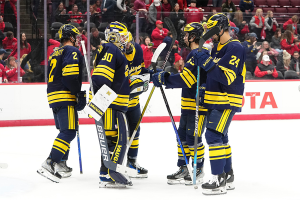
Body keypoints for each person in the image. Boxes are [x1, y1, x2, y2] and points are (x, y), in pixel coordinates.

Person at [152, 22, 207, 186]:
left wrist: (165, 78)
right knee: (182, 136)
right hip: (187, 104)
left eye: (186, 34)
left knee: (193, 137)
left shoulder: (200, 53)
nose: (184, 37)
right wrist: (166, 77)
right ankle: (183, 168)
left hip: (198, 105)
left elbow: (188, 80)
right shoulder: (192, 53)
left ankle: (198, 168)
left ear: (194, 36)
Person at [197, 13, 246, 195]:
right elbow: (213, 74)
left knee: (213, 136)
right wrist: (204, 85)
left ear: (220, 28)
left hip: (226, 100)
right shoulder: (217, 47)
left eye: (211, 30)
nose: (209, 33)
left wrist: (208, 63)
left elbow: (227, 77)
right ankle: (227, 174)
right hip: (215, 99)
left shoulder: (235, 48)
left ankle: (218, 178)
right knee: (221, 137)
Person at [37, 24, 86, 183]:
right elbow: (70, 76)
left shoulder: (55, 52)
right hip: (64, 95)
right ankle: (51, 162)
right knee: (69, 131)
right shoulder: (71, 50)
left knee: (64, 131)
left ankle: (61, 164)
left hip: (53, 95)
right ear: (70, 36)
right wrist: (77, 94)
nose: (78, 40)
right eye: (76, 36)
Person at [92, 22, 132, 188]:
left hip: (112, 103)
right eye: (122, 35)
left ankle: (107, 171)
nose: (125, 39)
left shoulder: (110, 49)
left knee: (113, 139)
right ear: (114, 35)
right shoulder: (112, 49)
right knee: (112, 139)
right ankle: (107, 172)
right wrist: (103, 98)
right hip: (111, 104)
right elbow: (101, 77)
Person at [124, 32, 151, 178]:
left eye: (129, 43)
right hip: (118, 102)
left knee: (135, 131)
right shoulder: (117, 52)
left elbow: (140, 71)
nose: (127, 46)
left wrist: (150, 73)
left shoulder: (138, 49)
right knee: (118, 134)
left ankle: (132, 162)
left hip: (133, 101)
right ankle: (115, 163)